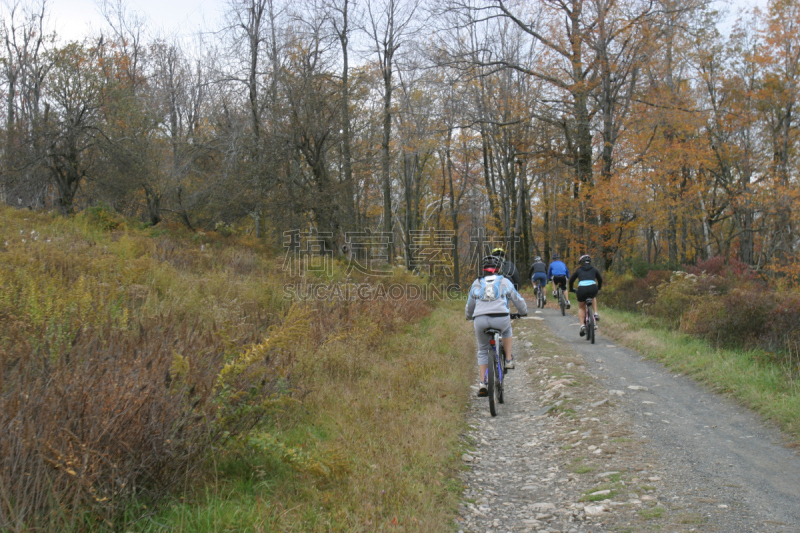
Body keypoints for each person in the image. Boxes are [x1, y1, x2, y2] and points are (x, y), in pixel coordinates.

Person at [465, 255, 528, 397]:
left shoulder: (476, 283)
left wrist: (469, 316)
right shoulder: (504, 281)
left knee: (482, 350)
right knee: (507, 330)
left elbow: (470, 305)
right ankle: (508, 360)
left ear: (483, 269)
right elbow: (516, 298)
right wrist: (523, 312)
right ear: (498, 269)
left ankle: (482, 383)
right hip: (501, 318)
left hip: (480, 320)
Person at [568, 254, 603, 337]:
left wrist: (571, 289)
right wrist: (599, 287)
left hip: (582, 289)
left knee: (581, 307)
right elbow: (600, 279)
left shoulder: (579, 270)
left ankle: (582, 325)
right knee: (593, 296)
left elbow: (571, 281)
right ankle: (595, 313)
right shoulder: (594, 269)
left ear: (581, 263)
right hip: (592, 288)